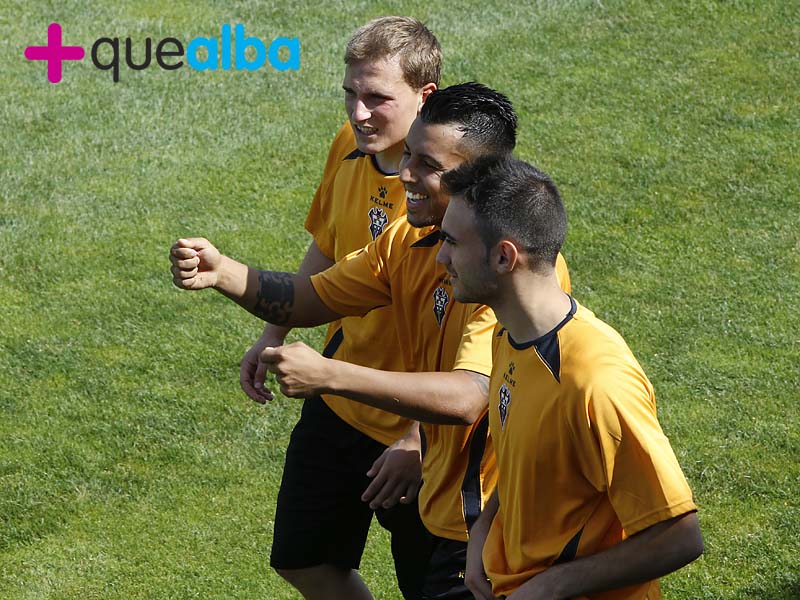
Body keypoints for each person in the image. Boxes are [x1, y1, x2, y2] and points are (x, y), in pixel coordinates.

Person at [172, 83, 569, 598]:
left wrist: (331, 375)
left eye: (427, 164)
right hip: (442, 501)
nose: (405, 175)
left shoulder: (505, 272)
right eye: (408, 156)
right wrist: (222, 271)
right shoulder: (409, 241)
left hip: (489, 514)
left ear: (481, 179)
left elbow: (471, 396)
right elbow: (313, 297)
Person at [433, 156, 703, 600]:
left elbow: (679, 535)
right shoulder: (508, 335)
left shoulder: (596, 381)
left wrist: (554, 585)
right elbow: (531, 461)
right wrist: (484, 526)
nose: (441, 256)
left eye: (451, 242)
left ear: (504, 257)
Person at [238, 16, 441, 600]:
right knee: (303, 558)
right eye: (351, 94)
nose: (359, 113)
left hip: (418, 419)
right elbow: (327, 246)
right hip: (342, 397)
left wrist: (418, 439)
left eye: (377, 97)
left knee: (428, 588)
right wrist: (276, 332)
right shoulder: (348, 149)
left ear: (424, 97)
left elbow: (479, 343)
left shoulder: (445, 194)